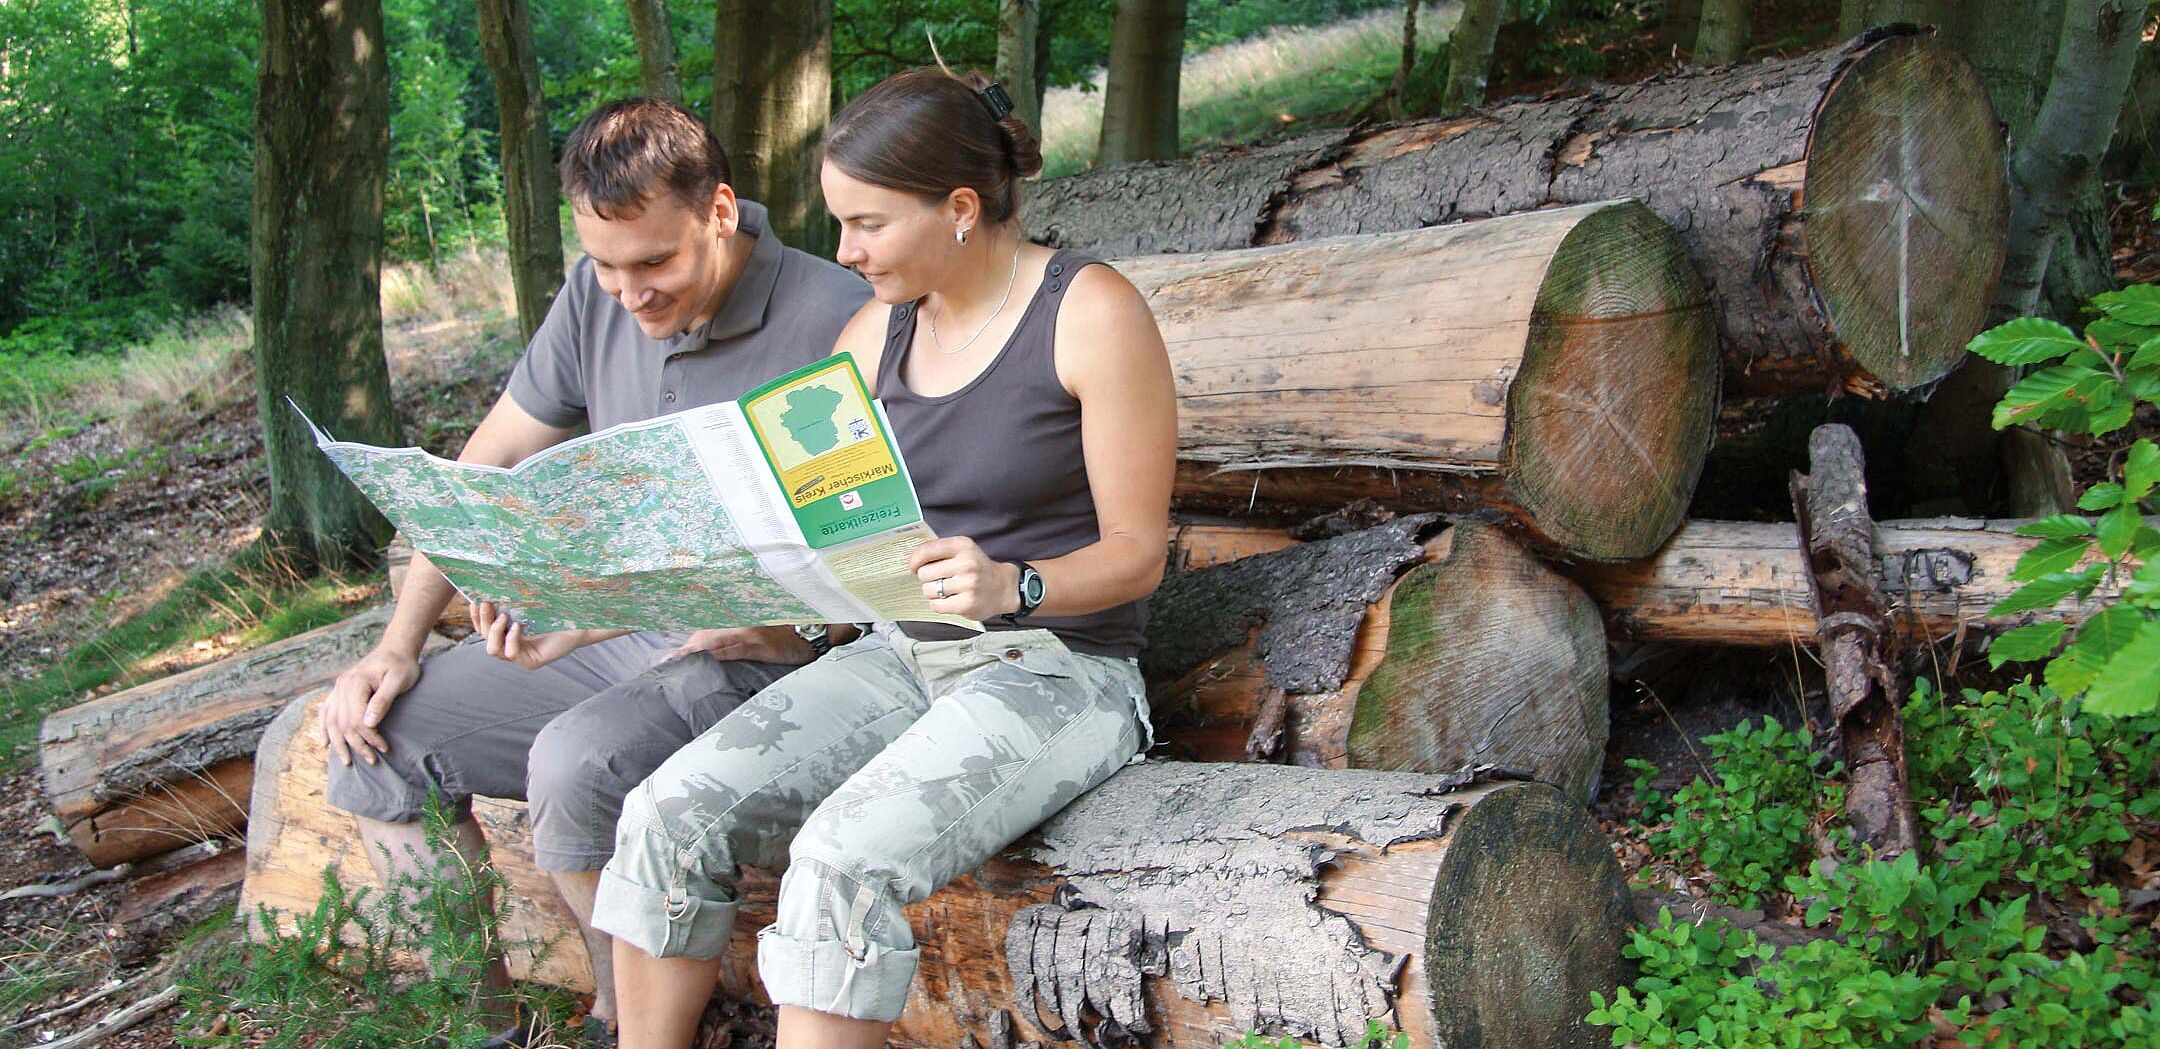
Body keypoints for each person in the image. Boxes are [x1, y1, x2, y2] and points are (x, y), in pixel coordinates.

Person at [590, 67, 1178, 1049]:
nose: (844, 251)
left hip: (1059, 671)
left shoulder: (1089, 311)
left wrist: (1015, 583)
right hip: (900, 654)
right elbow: (793, 519)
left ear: (957, 208)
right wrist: (592, 595)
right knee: (667, 808)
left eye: (866, 223)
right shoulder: (876, 333)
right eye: (837, 222)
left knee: (837, 860)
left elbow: (1137, 553)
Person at [318, 97, 871, 1044]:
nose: (631, 293)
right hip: (611, 626)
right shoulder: (592, 295)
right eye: (608, 265)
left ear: (722, 212)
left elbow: (875, 563)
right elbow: (480, 469)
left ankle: (626, 1022)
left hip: (773, 650)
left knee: (574, 761)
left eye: (655, 262)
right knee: (380, 733)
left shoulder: (835, 317)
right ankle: (489, 1023)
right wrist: (395, 646)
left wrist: (801, 628)